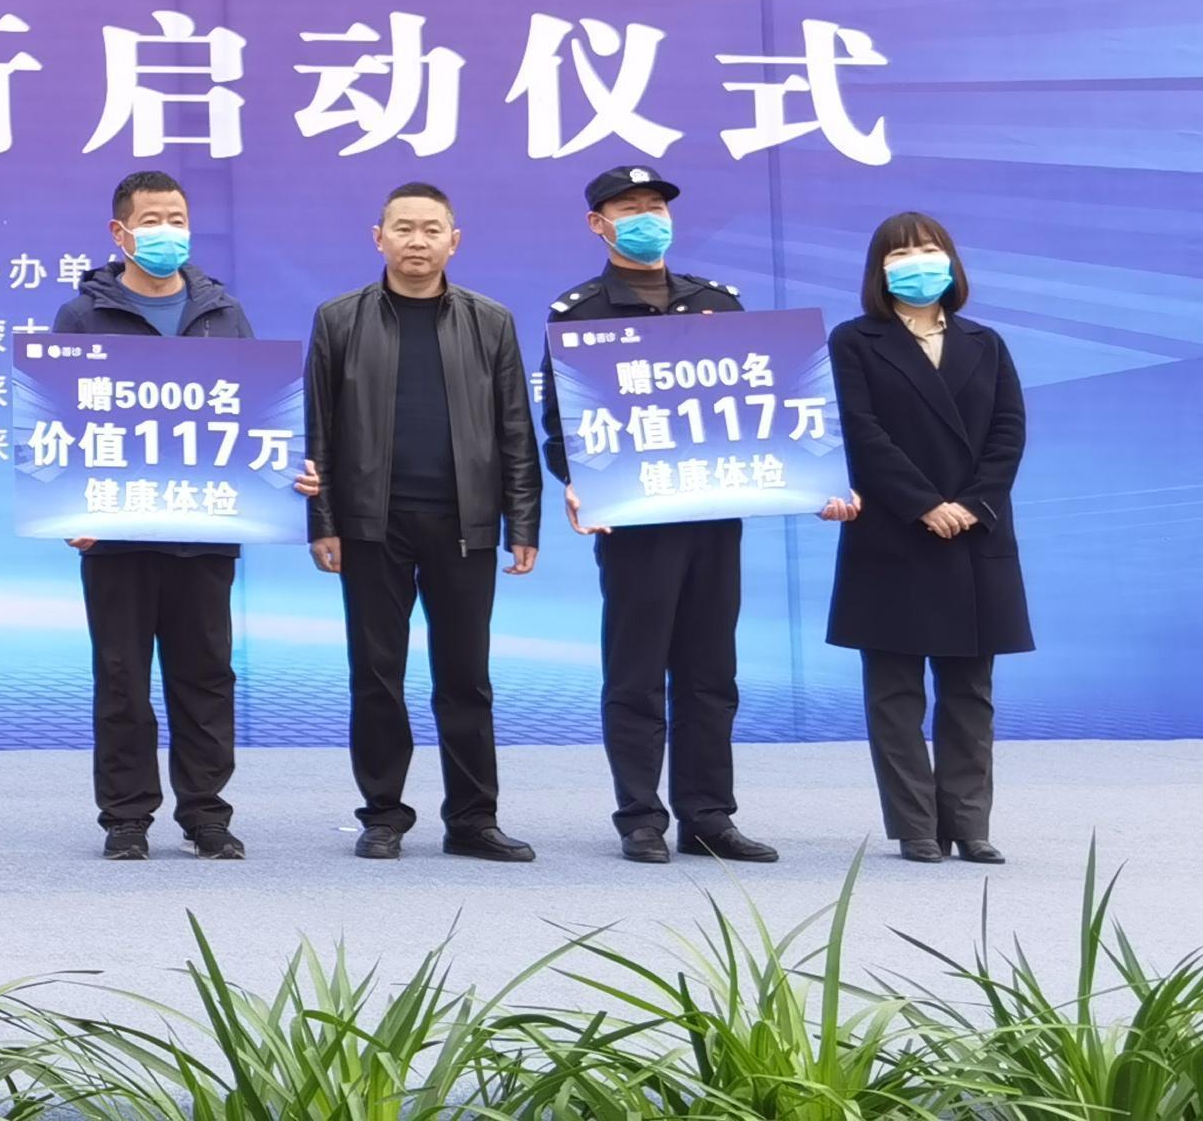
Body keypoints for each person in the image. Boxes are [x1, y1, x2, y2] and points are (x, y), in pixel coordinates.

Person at [537, 163, 778, 867]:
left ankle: (708, 816)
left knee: (711, 671)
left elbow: (762, 405)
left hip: (712, 513)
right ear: (598, 224)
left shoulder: (717, 304)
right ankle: (641, 816)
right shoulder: (579, 314)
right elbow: (561, 424)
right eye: (629, 209)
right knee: (636, 673)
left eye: (656, 207)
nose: (647, 219)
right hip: (633, 520)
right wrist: (576, 481)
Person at [300, 181, 541, 863]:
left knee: (466, 678)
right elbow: (318, 427)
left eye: (431, 229)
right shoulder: (339, 319)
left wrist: (523, 522)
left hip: (465, 524)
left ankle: (473, 819)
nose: (417, 241)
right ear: (378, 237)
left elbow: (515, 428)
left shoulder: (490, 321)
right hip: (370, 525)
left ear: (453, 242)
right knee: (376, 675)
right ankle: (383, 815)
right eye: (403, 228)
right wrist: (323, 519)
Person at [50, 169, 254, 863]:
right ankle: (126, 817)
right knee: (122, 680)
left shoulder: (224, 313)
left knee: (206, 679)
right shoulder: (83, 317)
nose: (167, 231)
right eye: (152, 220)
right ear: (121, 232)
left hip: (205, 532)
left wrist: (286, 473)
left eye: (177, 219)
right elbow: (57, 419)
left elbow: (256, 410)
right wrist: (67, 506)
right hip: (117, 536)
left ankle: (206, 815)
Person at [826, 212, 1031, 865]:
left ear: (951, 261)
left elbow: (1008, 431)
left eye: (930, 248)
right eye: (902, 253)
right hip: (893, 533)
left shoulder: (985, 342)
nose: (919, 261)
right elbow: (861, 432)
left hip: (975, 533)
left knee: (970, 690)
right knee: (895, 692)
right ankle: (915, 825)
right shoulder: (855, 341)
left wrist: (971, 504)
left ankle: (969, 823)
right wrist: (923, 505)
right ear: (879, 270)